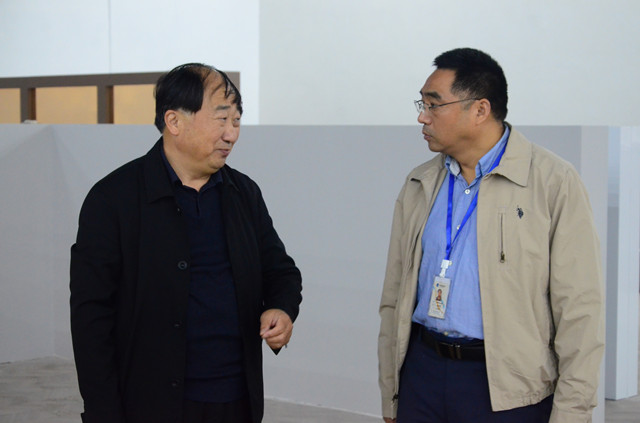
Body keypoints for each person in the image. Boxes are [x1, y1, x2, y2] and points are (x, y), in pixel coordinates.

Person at [377, 48, 603, 423]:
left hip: (508, 387)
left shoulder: (552, 182)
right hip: (422, 373)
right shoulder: (420, 182)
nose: (422, 116)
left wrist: (572, 413)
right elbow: (394, 295)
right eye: (422, 104)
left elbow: (580, 309)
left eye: (434, 104)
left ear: (480, 110)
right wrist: (391, 393)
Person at [70, 63, 302, 423]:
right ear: (174, 121)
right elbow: (91, 321)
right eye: (221, 119)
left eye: (236, 121)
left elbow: (281, 272)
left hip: (236, 400)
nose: (231, 134)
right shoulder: (113, 199)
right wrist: (103, 412)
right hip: (150, 405)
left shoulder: (243, 194)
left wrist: (282, 309)